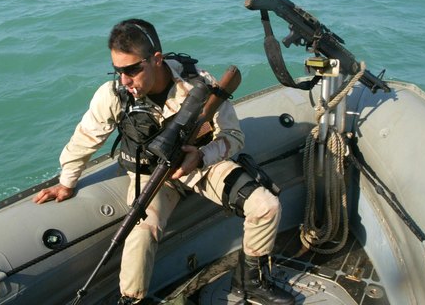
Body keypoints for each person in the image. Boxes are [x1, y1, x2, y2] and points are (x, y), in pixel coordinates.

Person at [33, 19, 294, 305]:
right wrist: (67, 182)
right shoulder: (114, 95)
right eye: (118, 70)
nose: (125, 80)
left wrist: (201, 156)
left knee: (265, 205)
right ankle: (133, 300)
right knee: (141, 228)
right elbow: (85, 139)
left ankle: (251, 281)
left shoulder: (197, 84)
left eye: (132, 70)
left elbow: (233, 136)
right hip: (150, 176)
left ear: (156, 59)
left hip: (199, 165)